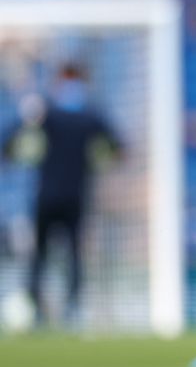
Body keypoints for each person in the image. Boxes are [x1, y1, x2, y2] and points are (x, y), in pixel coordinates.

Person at [0, 64, 121, 326]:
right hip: (51, 196)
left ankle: (71, 309)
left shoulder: (75, 116)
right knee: (43, 254)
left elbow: (116, 147)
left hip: (70, 197)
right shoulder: (70, 116)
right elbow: (117, 147)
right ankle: (38, 308)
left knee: (71, 254)